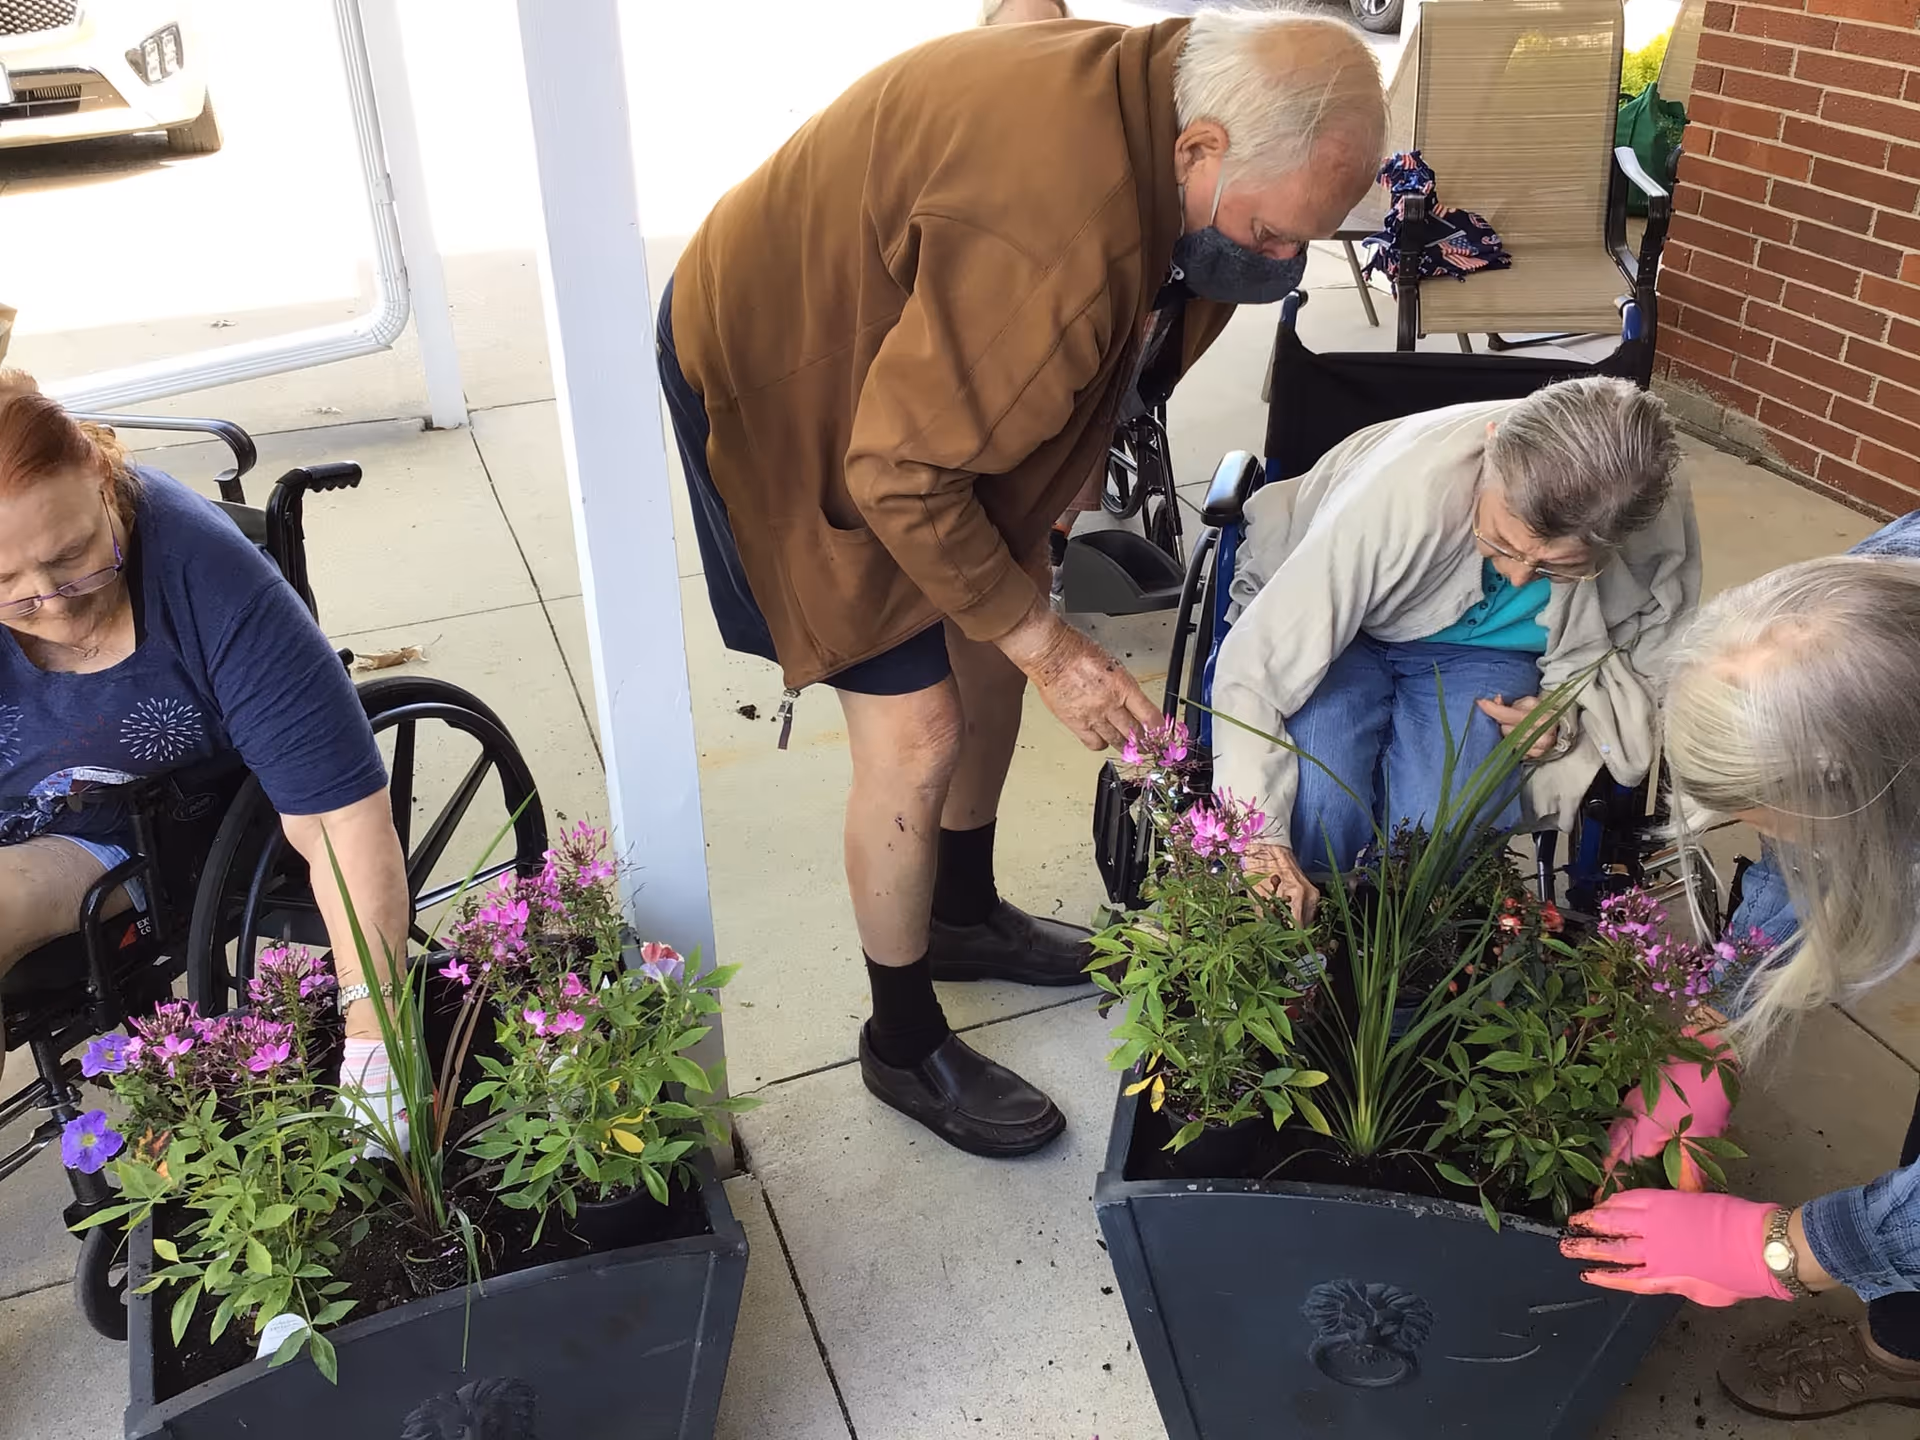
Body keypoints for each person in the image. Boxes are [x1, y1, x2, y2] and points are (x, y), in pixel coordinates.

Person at [657, 11, 1385, 1156]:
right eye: (1266, 231)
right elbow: (896, 474)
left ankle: (957, 912)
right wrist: (1051, 646)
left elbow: (1021, 18)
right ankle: (900, 1039)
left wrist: (1065, 467)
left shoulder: (1170, 100)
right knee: (921, 728)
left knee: (991, 644)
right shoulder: (1052, 232)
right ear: (1198, 148)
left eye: (1307, 241)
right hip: (794, 374)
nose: (1279, 262)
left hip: (928, 370)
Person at [1560, 516, 1920, 1424]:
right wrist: (1714, 1023)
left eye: (1775, 814)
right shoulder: (1872, 597)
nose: (1771, 842)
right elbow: (1829, 847)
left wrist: (1787, 1248)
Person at [0, 374, 409, 1136]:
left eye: (73, 557)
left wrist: (373, 1049)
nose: (50, 603)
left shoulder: (207, 578)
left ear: (99, 475)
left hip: (125, 824)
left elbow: (337, 826)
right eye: (6, 584)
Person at [1209, 376, 1697, 922]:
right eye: (1502, 542)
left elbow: (1649, 646)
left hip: (1489, 653)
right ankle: (1313, 947)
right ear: (1491, 447)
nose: (1516, 578)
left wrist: (1559, 707)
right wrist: (1259, 846)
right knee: (1317, 802)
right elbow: (1254, 672)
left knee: (1440, 832)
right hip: (1348, 632)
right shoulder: (1397, 498)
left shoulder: (1645, 509)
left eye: (1556, 567)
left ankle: (1404, 951)